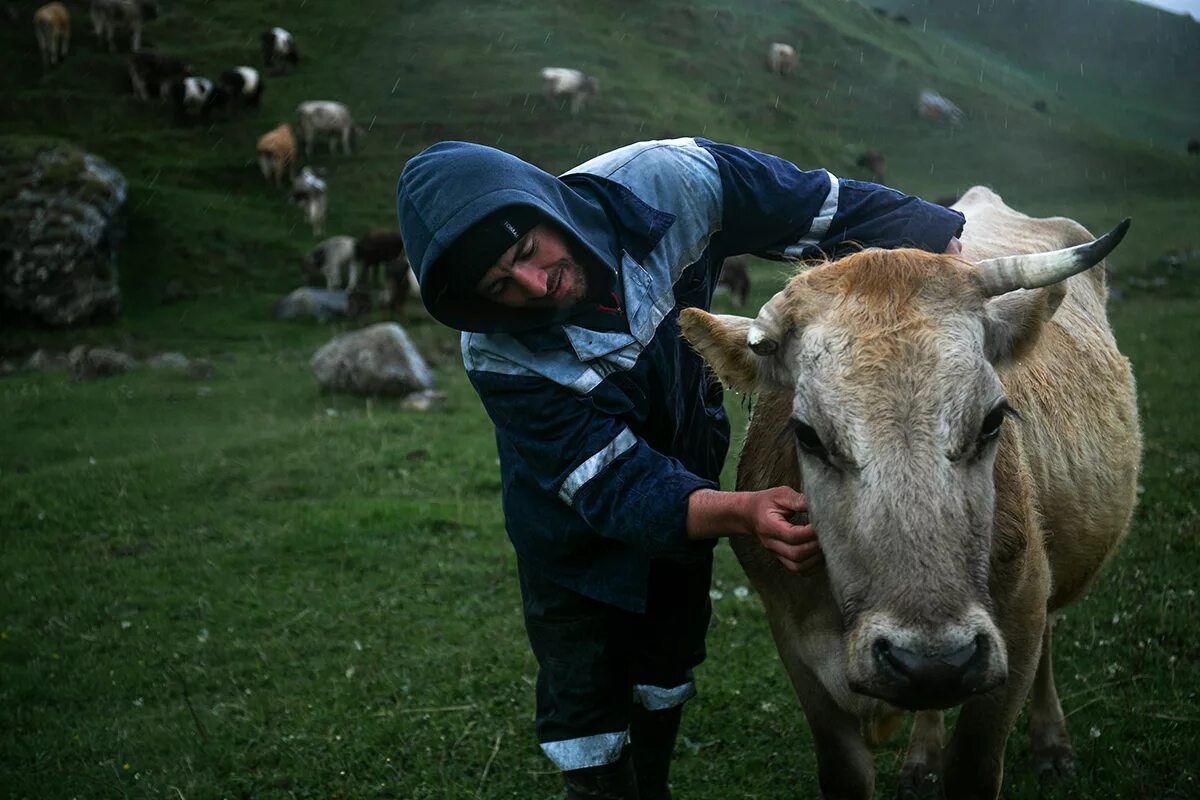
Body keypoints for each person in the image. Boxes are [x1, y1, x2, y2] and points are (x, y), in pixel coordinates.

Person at [395, 137, 964, 799]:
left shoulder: (668, 182)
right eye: (499, 287)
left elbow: (815, 206)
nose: (532, 284)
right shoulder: (498, 354)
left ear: (543, 203)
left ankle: (654, 781)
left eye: (525, 251)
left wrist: (941, 244)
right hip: (572, 537)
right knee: (585, 691)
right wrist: (743, 510)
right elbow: (612, 483)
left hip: (686, 492)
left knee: (667, 659)